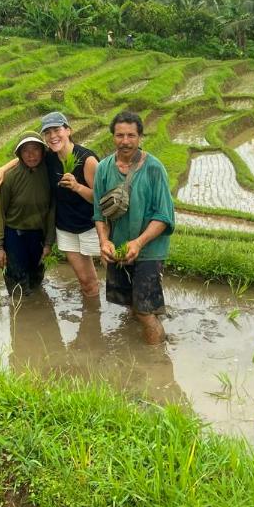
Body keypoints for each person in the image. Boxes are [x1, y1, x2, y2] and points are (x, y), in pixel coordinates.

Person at [0, 112, 101, 297]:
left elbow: (101, 200)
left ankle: (109, 316)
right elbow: (26, 156)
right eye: (48, 132)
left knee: (104, 277)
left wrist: (77, 187)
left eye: (57, 130)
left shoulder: (87, 159)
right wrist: (2, 169)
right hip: (66, 228)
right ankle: (89, 318)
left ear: (68, 130)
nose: (53, 136)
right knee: (84, 281)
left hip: (89, 226)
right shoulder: (50, 157)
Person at [93, 110, 175, 344]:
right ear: (113, 137)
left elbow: (164, 216)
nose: (125, 141)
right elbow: (99, 213)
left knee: (144, 311)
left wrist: (138, 242)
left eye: (131, 135)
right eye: (120, 135)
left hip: (148, 249)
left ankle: (156, 361)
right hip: (118, 248)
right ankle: (136, 354)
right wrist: (104, 242)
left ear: (140, 137)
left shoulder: (154, 169)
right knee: (130, 303)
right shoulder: (103, 169)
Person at [0, 131, 55, 296]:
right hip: (14, 237)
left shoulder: (49, 173)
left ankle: (35, 314)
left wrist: (49, 242)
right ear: (19, 154)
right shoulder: (9, 178)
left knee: (36, 280)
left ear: (42, 151)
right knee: (17, 287)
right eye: (25, 150)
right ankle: (20, 316)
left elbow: (51, 210)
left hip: (38, 237)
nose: (31, 155)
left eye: (35, 149)